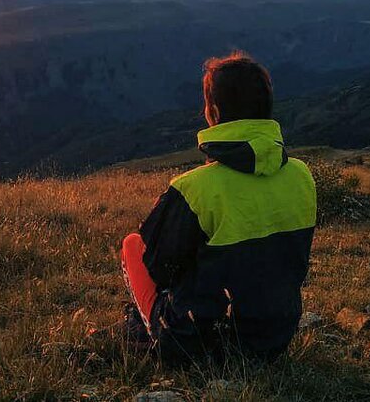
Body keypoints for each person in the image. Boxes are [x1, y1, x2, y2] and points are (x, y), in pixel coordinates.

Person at [119, 51, 316, 363]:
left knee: (133, 246)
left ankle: (150, 332)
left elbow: (157, 265)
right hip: (275, 338)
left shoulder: (195, 188)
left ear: (213, 112)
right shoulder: (301, 175)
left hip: (200, 347)